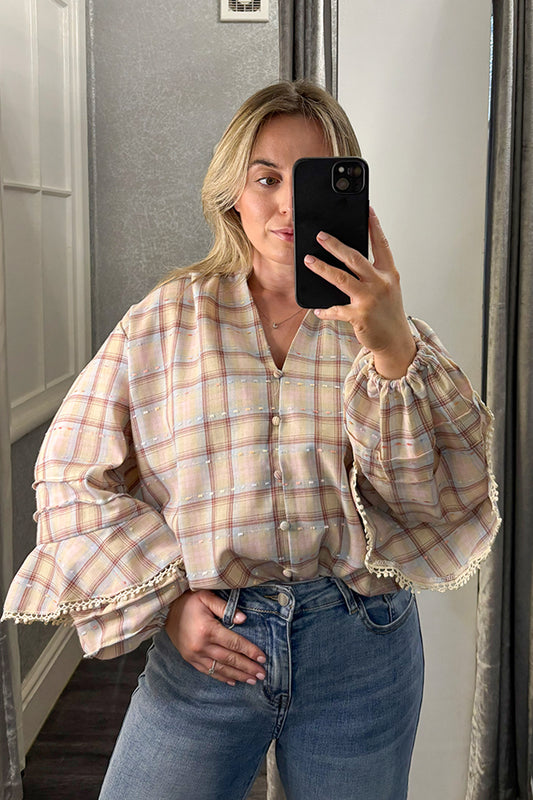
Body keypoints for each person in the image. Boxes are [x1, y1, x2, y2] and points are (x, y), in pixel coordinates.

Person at [2, 81, 500, 800]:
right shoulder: (166, 321)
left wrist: (393, 350)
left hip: (361, 648)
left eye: (312, 179)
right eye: (266, 178)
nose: (289, 206)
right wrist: (172, 601)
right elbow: (70, 472)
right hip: (210, 653)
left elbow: (436, 498)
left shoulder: (384, 332)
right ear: (233, 192)